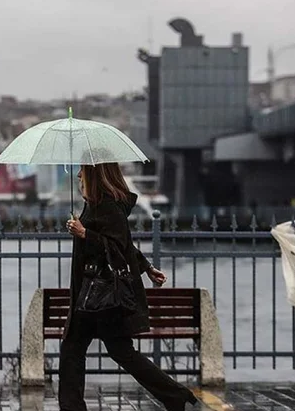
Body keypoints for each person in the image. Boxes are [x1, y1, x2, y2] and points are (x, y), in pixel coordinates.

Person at [62, 163, 198, 411]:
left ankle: (174, 394)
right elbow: (124, 245)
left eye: (83, 170)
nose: (79, 174)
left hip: (100, 295)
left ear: (96, 173)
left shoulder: (107, 206)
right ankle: (174, 395)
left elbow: (115, 248)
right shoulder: (96, 204)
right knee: (96, 350)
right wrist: (145, 266)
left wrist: (85, 234)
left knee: (92, 350)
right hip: (94, 295)